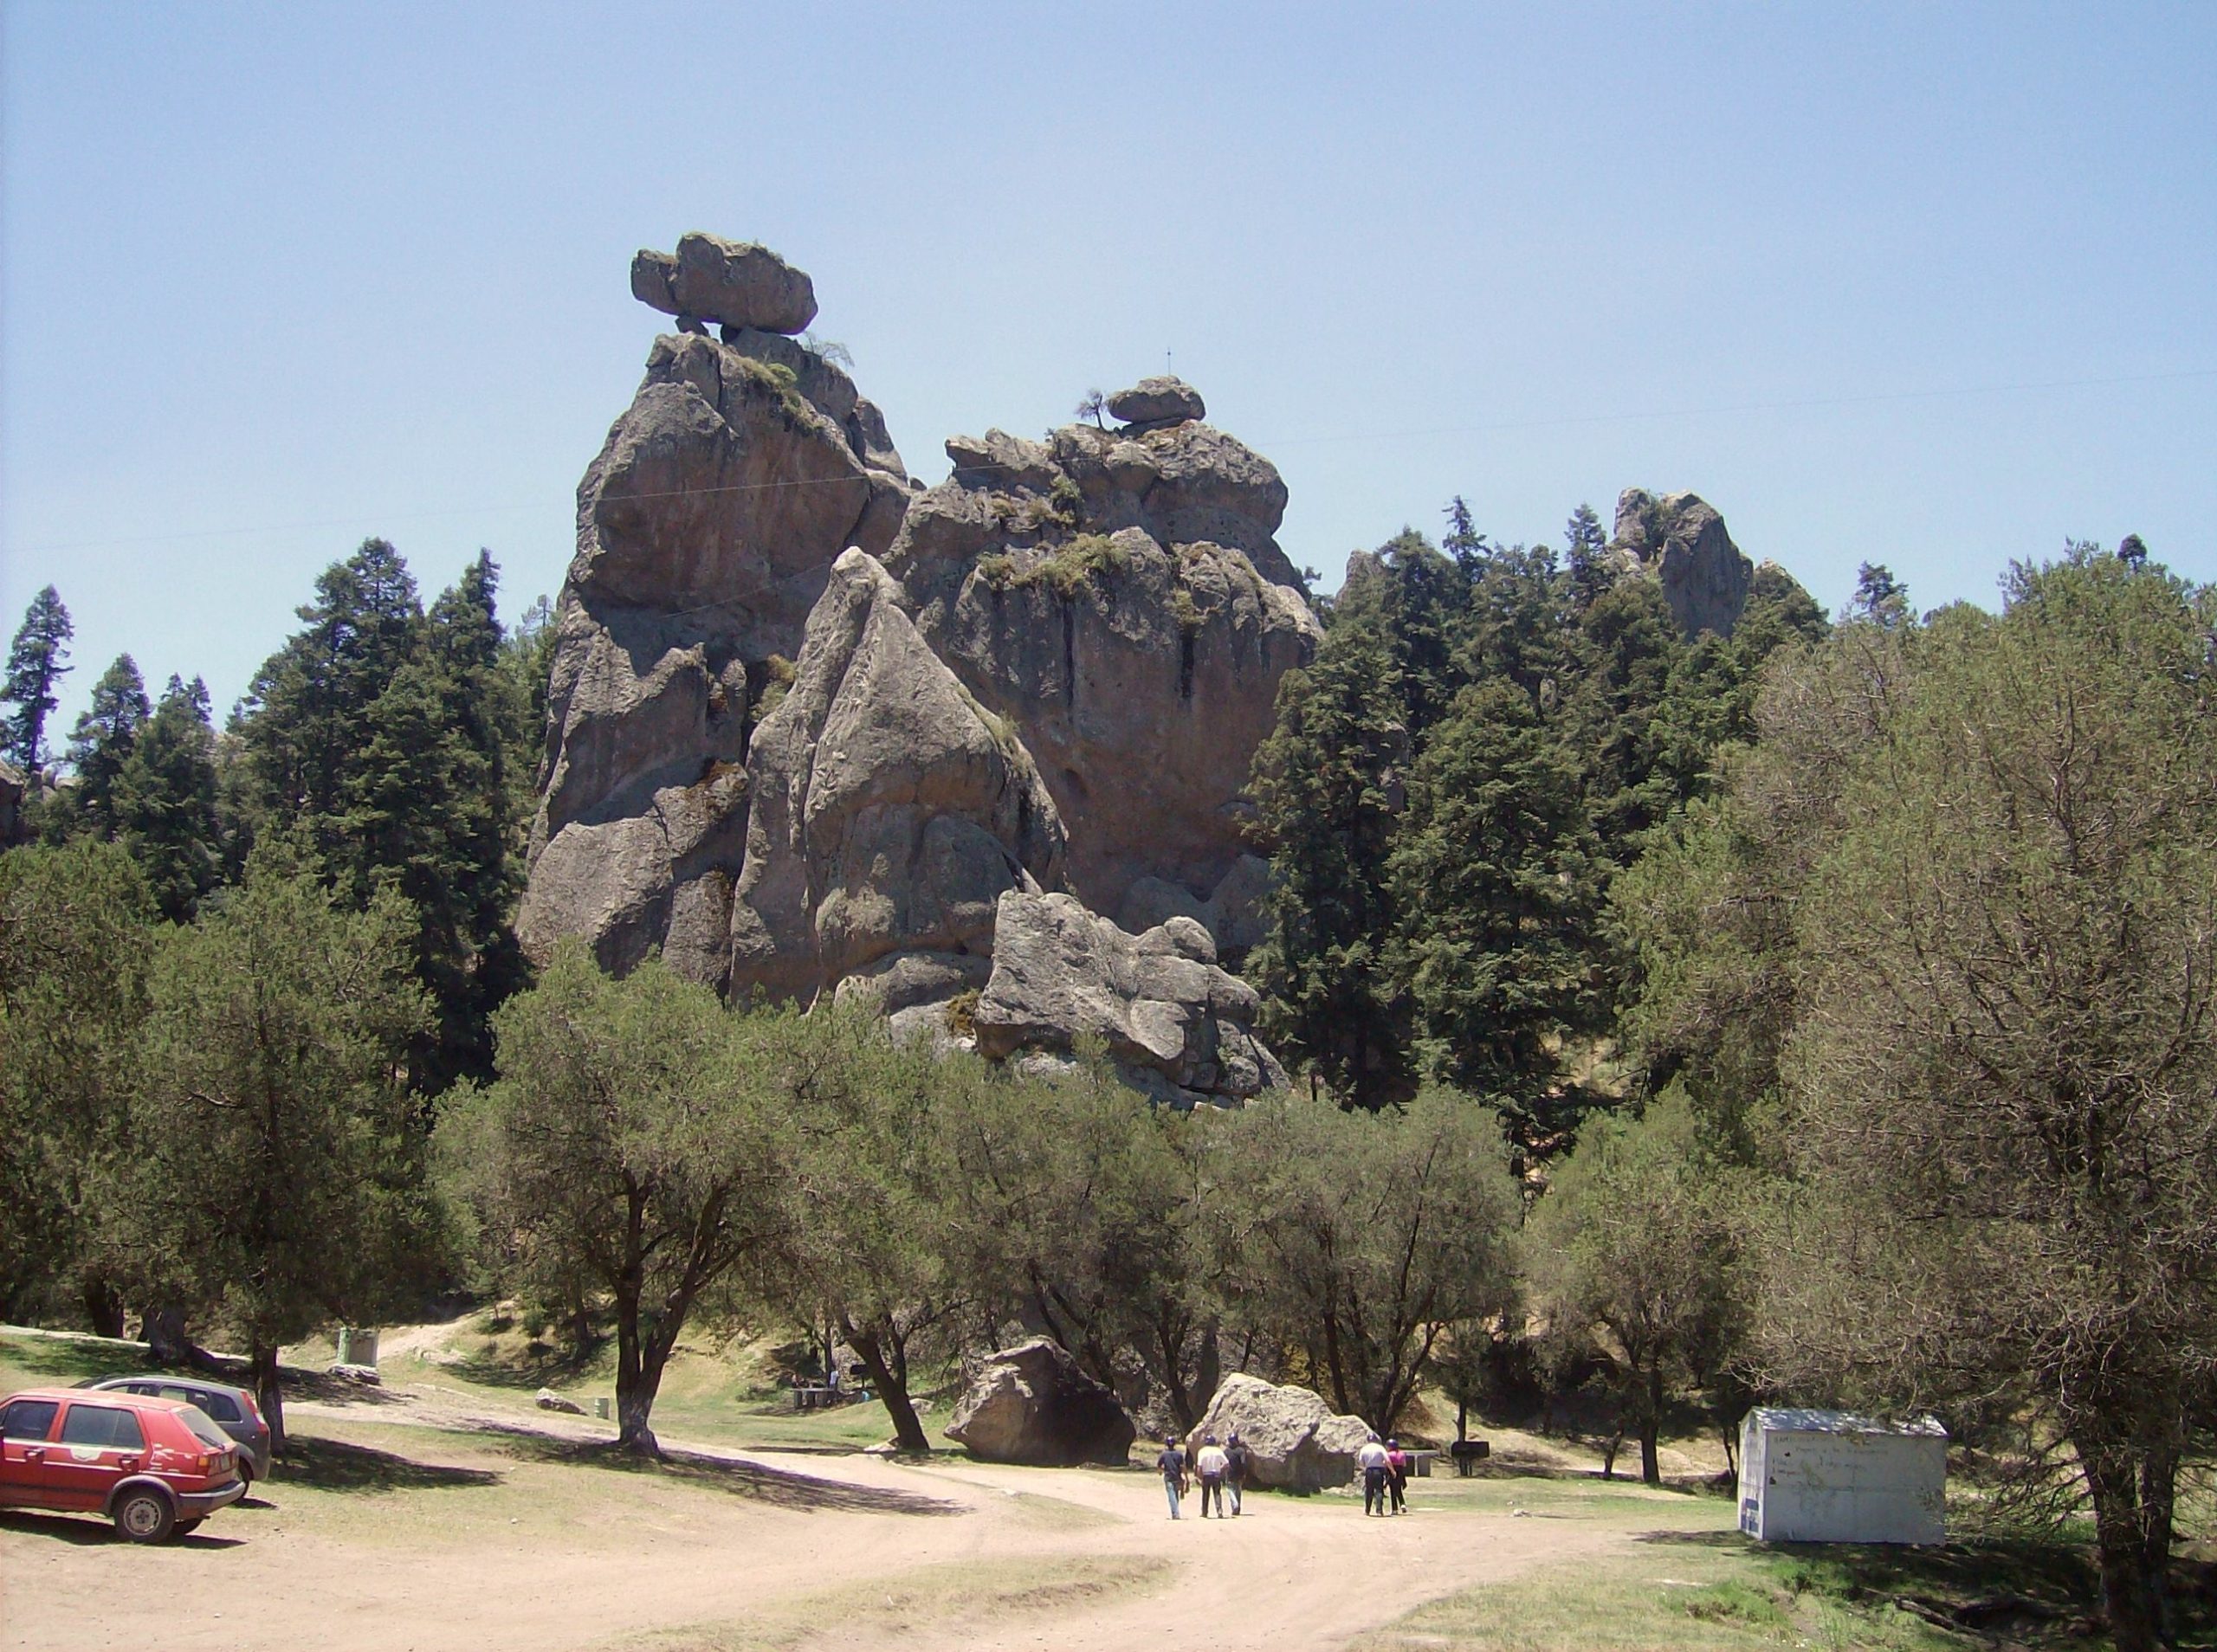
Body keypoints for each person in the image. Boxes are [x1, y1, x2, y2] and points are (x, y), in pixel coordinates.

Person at [1194, 1434, 1230, 1518]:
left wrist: (1199, 1477)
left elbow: (1199, 1466)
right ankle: (1219, 1510)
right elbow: (1227, 1464)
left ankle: (1204, 1512)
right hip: (1216, 1475)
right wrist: (1220, 1469)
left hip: (1206, 1475)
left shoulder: (1202, 1451)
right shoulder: (1218, 1451)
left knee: (1205, 1494)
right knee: (1217, 1493)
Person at [1358, 1432, 1391, 1516]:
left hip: (1369, 1470)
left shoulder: (1364, 1449)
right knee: (1379, 1490)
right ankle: (1379, 1511)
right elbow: (1387, 1460)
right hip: (1379, 1470)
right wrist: (1391, 1470)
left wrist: (1365, 1468)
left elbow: (1361, 1462)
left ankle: (1367, 1510)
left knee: (1369, 1490)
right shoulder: (1380, 1448)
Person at [1156, 1433, 1187, 1520]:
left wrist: (1160, 1472)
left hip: (1168, 1477)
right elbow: (1182, 1467)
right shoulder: (1179, 1454)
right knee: (1175, 1494)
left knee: (1171, 1495)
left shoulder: (1164, 1454)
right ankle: (1175, 1511)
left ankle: (1175, 1513)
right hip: (1177, 1477)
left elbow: (1159, 1465)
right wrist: (1186, 1478)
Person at [1225, 1430, 1249, 1516]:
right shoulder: (1241, 1451)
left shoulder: (1226, 1451)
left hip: (1230, 1473)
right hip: (1239, 1473)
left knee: (1230, 1490)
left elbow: (1224, 1463)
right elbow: (1243, 1463)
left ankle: (1235, 1506)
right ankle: (1237, 1508)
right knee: (1238, 1491)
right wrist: (1244, 1473)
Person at [1386, 1437, 1409, 1514]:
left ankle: (1394, 1509)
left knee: (1392, 1491)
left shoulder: (1389, 1454)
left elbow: (1386, 1463)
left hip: (1392, 1472)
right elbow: (1404, 1464)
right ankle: (1402, 1504)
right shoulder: (1402, 1453)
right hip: (1400, 1472)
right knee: (1399, 1490)